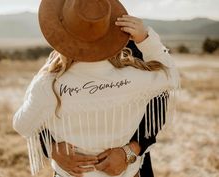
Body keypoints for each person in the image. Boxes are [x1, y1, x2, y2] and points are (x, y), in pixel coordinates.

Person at [13, 0, 180, 177]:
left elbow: (23, 124)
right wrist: (51, 147)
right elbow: (170, 76)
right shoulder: (137, 73)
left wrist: (131, 150)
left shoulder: (49, 83)